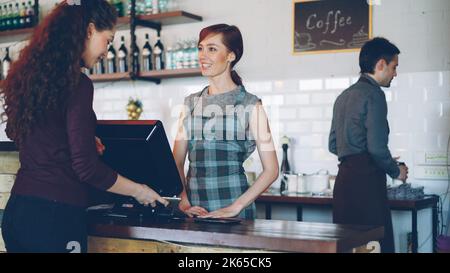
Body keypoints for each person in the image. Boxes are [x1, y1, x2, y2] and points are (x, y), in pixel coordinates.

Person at [0, 0, 168, 253]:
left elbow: (17, 133)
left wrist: (82, 139)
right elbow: (87, 168)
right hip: (55, 218)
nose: (106, 50)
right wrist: (139, 191)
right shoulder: (77, 84)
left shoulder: (30, 80)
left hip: (19, 212)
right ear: (89, 30)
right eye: (108, 39)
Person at [173, 24, 279, 219]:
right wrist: (183, 198)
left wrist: (235, 208)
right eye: (200, 48)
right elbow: (177, 162)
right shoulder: (190, 103)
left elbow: (271, 170)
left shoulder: (251, 105)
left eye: (212, 49)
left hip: (233, 213)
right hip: (192, 212)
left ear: (231, 56)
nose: (202, 56)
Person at [328, 37, 409, 253]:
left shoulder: (343, 97)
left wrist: (356, 153)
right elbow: (376, 148)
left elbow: (333, 144)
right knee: (374, 246)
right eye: (394, 67)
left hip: (344, 185)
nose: (395, 73)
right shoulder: (374, 94)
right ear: (381, 64)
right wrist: (396, 170)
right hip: (367, 187)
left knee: (348, 247)